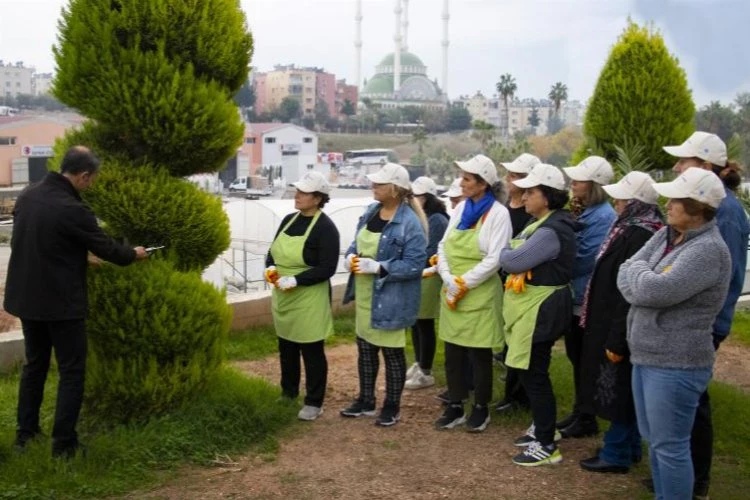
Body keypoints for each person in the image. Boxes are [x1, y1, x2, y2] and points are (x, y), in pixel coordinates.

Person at [4, 146, 148, 458]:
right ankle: (64, 445)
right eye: (91, 180)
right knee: (71, 371)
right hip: (60, 302)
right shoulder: (73, 208)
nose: (91, 185)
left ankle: (25, 436)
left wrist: (78, 256)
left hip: (28, 298)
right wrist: (133, 254)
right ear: (83, 176)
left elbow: (37, 239)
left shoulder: (29, 195)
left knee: (35, 366)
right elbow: (111, 250)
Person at [618, 167, 730, 499]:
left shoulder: (708, 249)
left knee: (671, 447)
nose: (667, 204)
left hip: (676, 364)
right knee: (656, 442)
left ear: (697, 207)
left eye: (676, 199)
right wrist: (643, 276)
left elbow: (655, 291)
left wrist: (642, 276)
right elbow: (626, 269)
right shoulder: (667, 234)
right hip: (647, 355)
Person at [659, 131, 750, 498]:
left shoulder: (724, 213)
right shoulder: (713, 208)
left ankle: (696, 482)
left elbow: (718, 275)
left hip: (701, 323)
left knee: (692, 399)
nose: (678, 167)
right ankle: (680, 475)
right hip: (688, 319)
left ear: (708, 167)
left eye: (686, 161)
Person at [577, 172, 663, 474]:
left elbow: (627, 291)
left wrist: (615, 337)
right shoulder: (629, 228)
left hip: (620, 325)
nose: (616, 201)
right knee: (621, 387)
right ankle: (627, 446)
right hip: (610, 319)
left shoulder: (640, 233)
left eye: (623, 198)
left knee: (620, 390)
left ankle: (616, 451)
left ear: (636, 203)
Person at [499, 163, 576, 466]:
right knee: (534, 372)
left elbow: (512, 261)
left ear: (548, 196)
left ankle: (546, 444)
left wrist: (504, 253)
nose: (524, 196)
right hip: (535, 307)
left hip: (541, 310)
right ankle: (544, 428)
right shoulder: (543, 224)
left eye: (531, 192)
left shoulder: (549, 231)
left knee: (535, 375)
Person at [339, 163, 427, 427]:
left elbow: (415, 264)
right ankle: (366, 400)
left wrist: (380, 267)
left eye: (379, 184)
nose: (373, 187)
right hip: (366, 294)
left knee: (391, 353)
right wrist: (350, 258)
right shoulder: (371, 212)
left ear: (395, 189)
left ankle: (392, 405)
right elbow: (356, 243)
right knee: (365, 348)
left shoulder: (409, 223)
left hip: (391, 298)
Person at [433, 154, 512, 433]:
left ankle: (480, 407)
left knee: (479, 354)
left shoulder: (499, 214)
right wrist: (446, 277)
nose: (461, 183)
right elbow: (443, 246)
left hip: (478, 292)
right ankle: (455, 404)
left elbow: (495, 259)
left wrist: (464, 282)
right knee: (452, 351)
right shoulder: (460, 209)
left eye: (467, 178)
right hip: (452, 287)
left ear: (482, 184)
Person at [265, 172, 340, 421]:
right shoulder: (288, 220)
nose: (297, 196)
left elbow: (327, 267)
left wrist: (296, 279)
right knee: (286, 346)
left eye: (303, 192)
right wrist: (271, 269)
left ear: (318, 198)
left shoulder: (326, 228)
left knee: (311, 349)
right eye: (297, 191)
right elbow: (272, 252)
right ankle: (288, 392)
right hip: (283, 295)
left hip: (309, 296)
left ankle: (314, 401)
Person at [557, 156, 616, 438]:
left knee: (584, 358)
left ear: (593, 186)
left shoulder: (602, 217)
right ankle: (581, 412)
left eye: (579, 180)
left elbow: (585, 259)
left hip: (585, 299)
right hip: (577, 296)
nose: (573, 184)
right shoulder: (587, 212)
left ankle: (586, 417)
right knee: (576, 356)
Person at [494, 153, 539, 414]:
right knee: (508, 339)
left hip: (521, 283)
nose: (508, 179)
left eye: (515, 176)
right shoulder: (503, 207)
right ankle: (511, 393)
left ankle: (518, 396)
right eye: (509, 175)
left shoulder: (530, 214)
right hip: (502, 279)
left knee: (520, 343)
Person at [405, 176, 449, 390]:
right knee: (416, 321)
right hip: (417, 274)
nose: (413, 200)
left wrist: (410, 264)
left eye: (418, 196)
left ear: (428, 198)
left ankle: (426, 370)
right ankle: (419, 362)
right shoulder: (419, 217)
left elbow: (432, 251)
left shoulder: (437, 219)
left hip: (429, 276)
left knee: (424, 322)